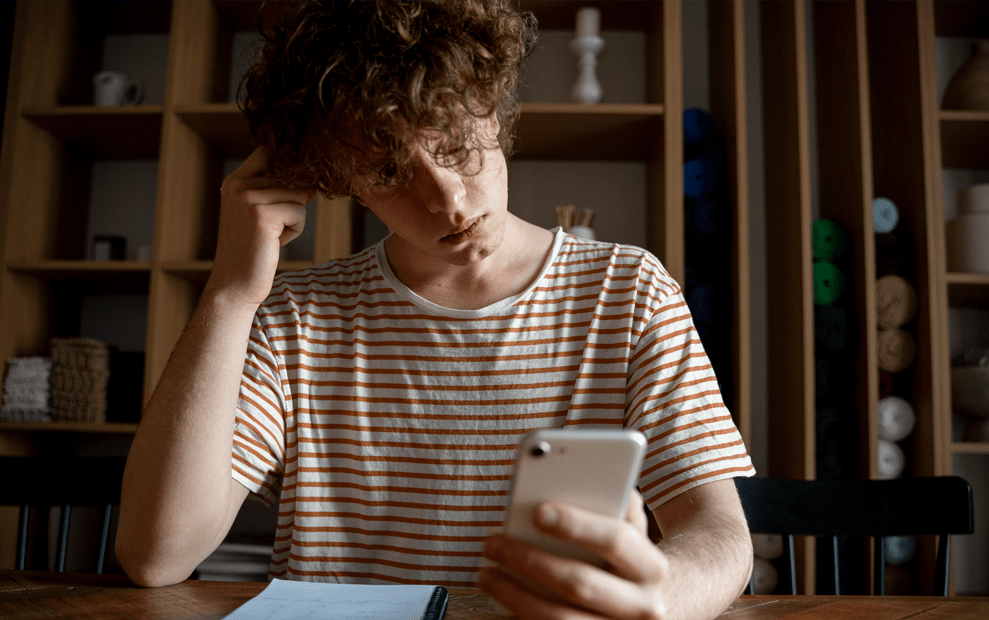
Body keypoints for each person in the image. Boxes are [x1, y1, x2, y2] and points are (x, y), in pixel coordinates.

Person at [116, 2, 755, 618]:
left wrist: (659, 599)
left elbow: (720, 536)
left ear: (493, 106)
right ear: (340, 181)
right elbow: (158, 556)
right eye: (390, 171)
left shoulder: (629, 291)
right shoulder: (295, 319)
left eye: (453, 143)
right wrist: (232, 292)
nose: (447, 199)